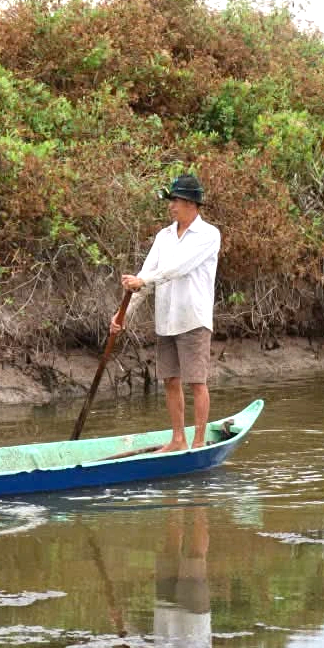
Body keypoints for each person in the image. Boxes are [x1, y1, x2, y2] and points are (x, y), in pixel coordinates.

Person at [112, 174, 220, 453]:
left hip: (193, 319)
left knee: (196, 381)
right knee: (171, 380)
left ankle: (198, 442)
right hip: (167, 320)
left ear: (191, 204)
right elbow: (146, 276)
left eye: (176, 201)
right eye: (171, 201)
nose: (171, 207)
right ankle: (178, 440)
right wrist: (122, 315)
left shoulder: (209, 235)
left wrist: (143, 280)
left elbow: (178, 268)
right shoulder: (164, 236)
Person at [144, 504, 213, 648]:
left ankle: (173, 499)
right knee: (195, 556)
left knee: (169, 550)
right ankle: (199, 501)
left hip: (163, 617)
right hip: (193, 622)